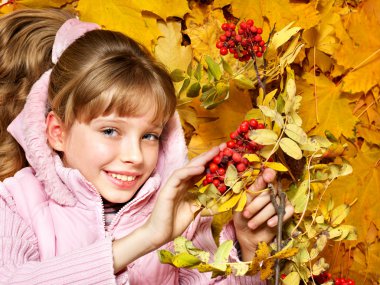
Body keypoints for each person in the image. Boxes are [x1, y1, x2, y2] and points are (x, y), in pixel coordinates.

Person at [0, 8, 294, 285]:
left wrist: (250, 252)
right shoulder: (15, 204)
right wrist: (147, 238)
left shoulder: (180, 213)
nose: (135, 156)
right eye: (111, 130)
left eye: (149, 136)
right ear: (57, 133)